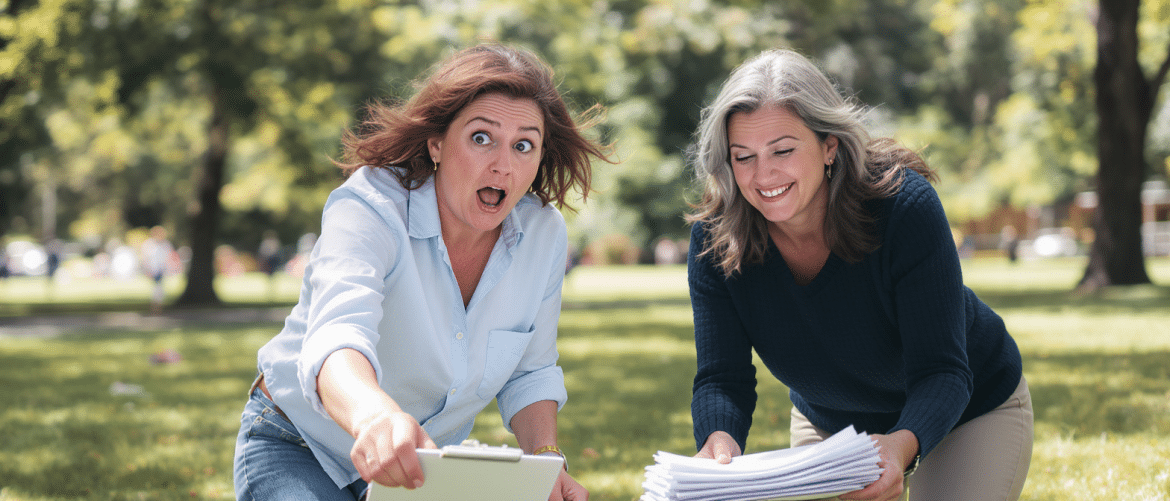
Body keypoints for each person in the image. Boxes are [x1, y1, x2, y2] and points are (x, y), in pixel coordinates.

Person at [232, 43, 611, 501]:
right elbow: (336, 337)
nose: (503, 164)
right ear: (437, 142)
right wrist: (375, 419)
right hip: (299, 443)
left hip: (422, 469)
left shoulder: (543, 233)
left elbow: (531, 371)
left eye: (523, 145)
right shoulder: (370, 205)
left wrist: (546, 458)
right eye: (480, 138)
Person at [685, 49, 1032, 501]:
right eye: (743, 156)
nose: (763, 174)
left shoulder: (904, 208)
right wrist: (719, 442)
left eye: (783, 150)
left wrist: (900, 446)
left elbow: (942, 371)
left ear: (829, 145)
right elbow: (722, 377)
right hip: (834, 424)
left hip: (968, 406)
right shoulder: (716, 239)